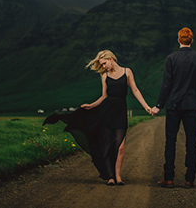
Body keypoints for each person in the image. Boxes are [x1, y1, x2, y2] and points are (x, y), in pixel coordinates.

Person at [43, 50, 152, 185]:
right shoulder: (104, 75)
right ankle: (111, 177)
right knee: (106, 145)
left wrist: (146, 107)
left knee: (120, 147)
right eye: (102, 65)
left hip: (120, 113)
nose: (104, 67)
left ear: (111, 59)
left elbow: (135, 90)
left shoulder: (127, 72)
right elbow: (104, 96)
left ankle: (118, 176)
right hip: (106, 113)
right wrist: (91, 105)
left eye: (104, 63)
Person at [151, 27, 196, 188]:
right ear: (192, 40)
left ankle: (168, 179)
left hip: (173, 105)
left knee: (171, 141)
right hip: (191, 105)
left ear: (178, 40)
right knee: (191, 142)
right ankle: (190, 179)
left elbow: (166, 84)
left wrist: (158, 105)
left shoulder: (171, 58)